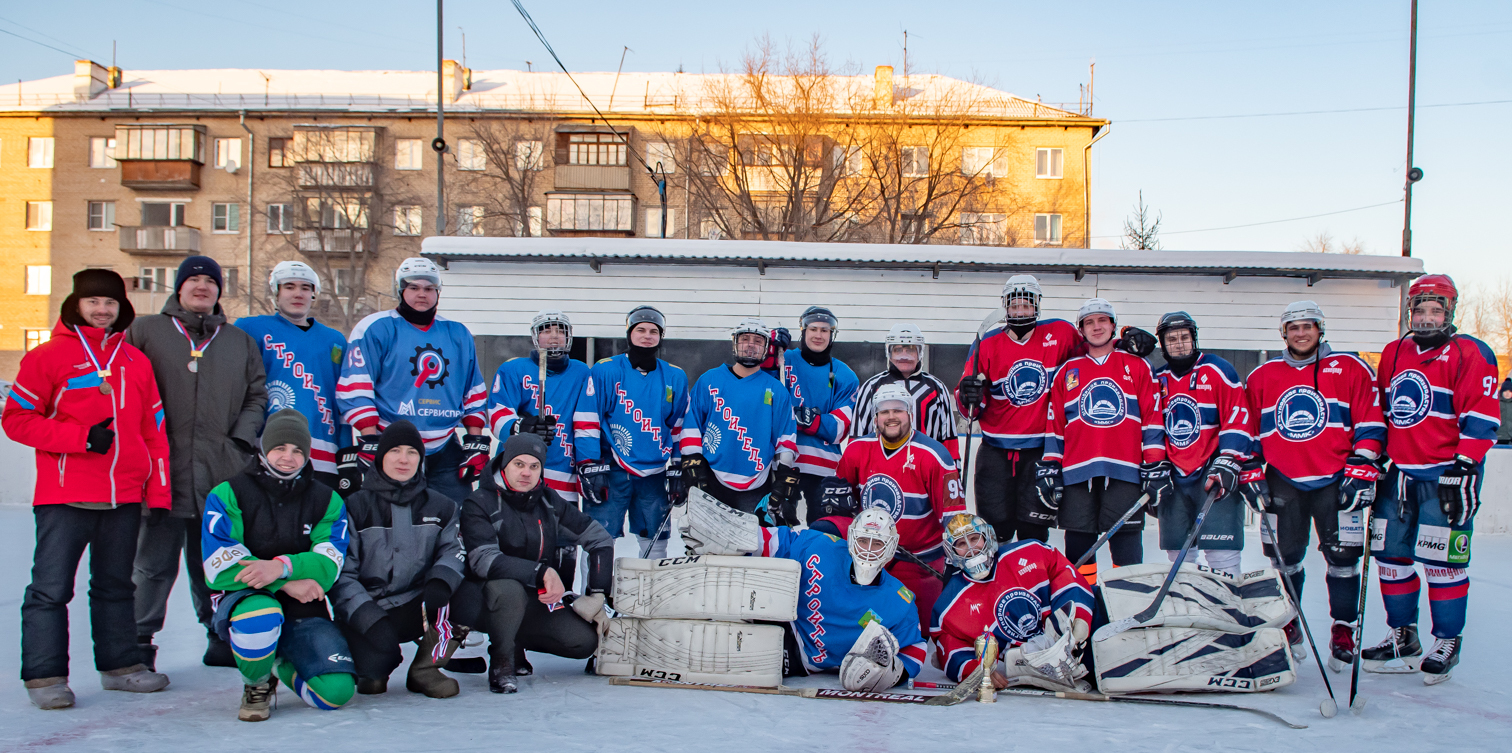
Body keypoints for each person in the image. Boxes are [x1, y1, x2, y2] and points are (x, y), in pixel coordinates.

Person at [4, 269, 173, 709]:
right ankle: (45, 677)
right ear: (76, 305)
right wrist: (79, 438)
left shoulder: (135, 361)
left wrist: (157, 493)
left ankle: (121, 667)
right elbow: (16, 419)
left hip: (122, 496)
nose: (102, 310)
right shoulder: (47, 357)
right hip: (65, 495)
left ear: (122, 309)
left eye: (111, 304)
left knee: (116, 585)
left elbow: (154, 432)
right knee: (50, 589)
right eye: (94, 302)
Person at [126, 255, 267, 669]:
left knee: (215, 560)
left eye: (210, 281)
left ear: (220, 290)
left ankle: (219, 634)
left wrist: (239, 441)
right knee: (152, 564)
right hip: (161, 472)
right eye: (194, 280)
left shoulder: (237, 340)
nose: (202, 286)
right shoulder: (146, 330)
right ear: (179, 287)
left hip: (219, 470)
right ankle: (138, 642)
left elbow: (257, 395)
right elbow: (124, 386)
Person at [1366, 275, 1500, 684]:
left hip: (1447, 474)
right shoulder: (1394, 352)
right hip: (1400, 474)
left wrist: (1465, 464)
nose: (1425, 318)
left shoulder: (1471, 353)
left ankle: (1447, 640)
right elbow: (1384, 410)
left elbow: (1482, 415)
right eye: (1419, 310)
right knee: (1391, 558)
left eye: (1435, 311)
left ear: (1450, 312)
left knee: (1442, 563)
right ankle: (1403, 636)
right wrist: (1374, 458)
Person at [1242, 300, 1385, 668]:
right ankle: (1290, 622)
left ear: (1320, 329)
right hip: (1283, 479)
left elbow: (1371, 421)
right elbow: (1247, 429)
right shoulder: (1263, 376)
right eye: (1293, 327)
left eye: (1307, 326)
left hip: (1335, 479)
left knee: (1342, 558)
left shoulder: (1350, 368)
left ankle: (1343, 628)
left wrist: (1363, 464)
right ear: (1283, 333)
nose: (1301, 333)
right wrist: (1251, 469)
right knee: (1285, 559)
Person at [201, 408, 354, 721]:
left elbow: (329, 563)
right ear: (263, 448)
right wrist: (283, 581)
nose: (289, 457)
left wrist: (282, 566)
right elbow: (219, 563)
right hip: (246, 598)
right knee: (260, 616)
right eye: (280, 448)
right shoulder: (227, 493)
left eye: (298, 450)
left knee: (335, 693)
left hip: (304, 605)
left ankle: (275, 663)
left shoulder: (327, 499)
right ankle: (256, 684)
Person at [680, 500, 927, 690]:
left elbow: (915, 647)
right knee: (748, 584)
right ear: (851, 538)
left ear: (891, 547)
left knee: (727, 648)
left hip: (798, 656)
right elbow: (778, 542)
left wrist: (894, 673)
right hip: (779, 613)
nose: (869, 551)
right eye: (863, 541)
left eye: (877, 543)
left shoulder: (899, 601)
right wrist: (734, 537)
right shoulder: (821, 546)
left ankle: (687, 647)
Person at [460, 434, 615, 693]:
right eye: (518, 464)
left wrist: (597, 593)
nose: (526, 473)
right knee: (509, 590)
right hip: (482, 600)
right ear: (504, 464)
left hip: (534, 598)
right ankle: (501, 660)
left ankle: (517, 639)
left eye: (534, 466)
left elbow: (600, 538)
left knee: (582, 642)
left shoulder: (548, 500)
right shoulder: (479, 502)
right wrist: (541, 572)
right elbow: (483, 561)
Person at [329, 420, 471, 698]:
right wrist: (365, 614)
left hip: (417, 603)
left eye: (412, 452)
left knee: (471, 594)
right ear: (381, 457)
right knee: (372, 677)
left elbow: (454, 550)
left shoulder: (441, 505)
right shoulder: (354, 507)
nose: (404, 459)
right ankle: (376, 663)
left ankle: (426, 668)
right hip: (371, 608)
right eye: (395, 451)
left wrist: (441, 581)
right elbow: (342, 573)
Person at [337, 258, 489, 505]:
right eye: (414, 288)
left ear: (438, 293)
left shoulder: (458, 333)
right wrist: (369, 437)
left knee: (457, 518)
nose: (422, 294)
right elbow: (356, 384)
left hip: (444, 445)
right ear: (401, 290)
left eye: (429, 289)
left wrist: (475, 440)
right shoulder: (376, 328)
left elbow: (473, 390)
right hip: (392, 440)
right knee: (392, 520)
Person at [1039, 298, 1171, 583]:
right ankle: (1085, 606)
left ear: (1113, 325)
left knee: (1127, 552)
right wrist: (1051, 465)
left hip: (1125, 472)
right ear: (1081, 330)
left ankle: (1127, 604)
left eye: (1102, 320)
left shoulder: (1137, 366)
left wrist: (1154, 464)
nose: (1096, 327)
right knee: (1079, 553)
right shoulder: (1067, 371)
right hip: (1077, 473)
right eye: (1089, 322)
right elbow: (1055, 425)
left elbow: (1151, 419)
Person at [956, 275, 1083, 545]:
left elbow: (1094, 356)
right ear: (1005, 307)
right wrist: (968, 395)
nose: (1020, 311)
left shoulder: (1061, 333)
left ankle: (1032, 582)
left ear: (1037, 306)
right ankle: (996, 584)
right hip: (995, 452)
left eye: (1027, 305)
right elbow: (971, 408)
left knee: (1034, 533)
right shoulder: (987, 342)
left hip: (1040, 452)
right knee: (994, 532)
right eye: (1015, 306)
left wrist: (1122, 344)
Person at [834, 384, 966, 638]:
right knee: (862, 633)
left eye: (898, 410)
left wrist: (955, 564)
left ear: (910, 415)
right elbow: (842, 508)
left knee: (918, 634)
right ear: (875, 418)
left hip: (918, 564)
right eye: (884, 411)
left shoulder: (934, 455)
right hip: (868, 559)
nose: (891, 417)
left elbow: (954, 516)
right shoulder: (857, 450)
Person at [575, 306, 691, 559]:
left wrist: (679, 465)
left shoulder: (675, 376)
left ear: (661, 336)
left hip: (655, 471)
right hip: (612, 467)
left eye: (653, 331)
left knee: (655, 540)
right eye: (640, 330)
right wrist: (589, 463)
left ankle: (650, 597)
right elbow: (587, 418)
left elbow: (681, 425)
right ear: (629, 334)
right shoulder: (605, 370)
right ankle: (595, 596)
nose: (647, 335)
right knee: (598, 538)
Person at [931, 513, 1095, 691]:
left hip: (1079, 637)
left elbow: (1064, 574)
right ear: (951, 553)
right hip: (1031, 660)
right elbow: (948, 644)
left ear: (989, 537)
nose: (971, 549)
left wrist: (1079, 617)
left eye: (974, 539)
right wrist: (972, 668)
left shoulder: (1031, 552)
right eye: (961, 544)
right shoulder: (950, 605)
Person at [1150, 311, 1251, 577]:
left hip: (1213, 471)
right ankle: (1186, 608)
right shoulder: (1157, 379)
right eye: (1172, 339)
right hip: (1174, 476)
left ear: (1194, 339)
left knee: (1221, 551)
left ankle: (1228, 607)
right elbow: (1150, 428)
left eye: (1185, 337)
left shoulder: (1217, 369)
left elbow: (1238, 415)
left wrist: (1229, 458)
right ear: (1162, 343)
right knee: (1179, 553)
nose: (1179, 343)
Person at [236, 261, 349, 490]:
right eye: (289, 286)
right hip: (266, 446)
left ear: (314, 294)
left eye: (305, 288)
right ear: (276, 292)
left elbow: (343, 399)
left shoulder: (335, 340)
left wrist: (347, 451)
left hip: (323, 452)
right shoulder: (250, 329)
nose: (298, 293)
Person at [679, 318, 799, 521]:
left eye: (758, 341)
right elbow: (691, 427)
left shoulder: (776, 390)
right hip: (710, 477)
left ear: (766, 348)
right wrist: (693, 465)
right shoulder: (709, 380)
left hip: (757, 481)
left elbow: (785, 437)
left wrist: (783, 476)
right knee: (706, 544)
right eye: (745, 339)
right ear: (735, 343)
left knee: (753, 545)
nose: (751, 345)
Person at [488, 310, 592, 504]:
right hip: (518, 467)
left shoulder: (582, 372)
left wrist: (589, 462)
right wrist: (522, 427)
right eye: (546, 331)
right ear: (535, 336)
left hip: (563, 469)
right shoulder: (513, 369)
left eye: (560, 331)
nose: (554, 336)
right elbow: (497, 413)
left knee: (559, 531)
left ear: (568, 336)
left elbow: (588, 421)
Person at [770, 307, 859, 526]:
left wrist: (804, 418)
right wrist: (771, 349)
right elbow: (761, 392)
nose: (818, 335)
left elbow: (839, 428)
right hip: (783, 463)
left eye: (824, 330)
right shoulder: (784, 360)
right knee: (779, 529)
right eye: (813, 329)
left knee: (824, 530)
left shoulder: (845, 375)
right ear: (803, 330)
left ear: (832, 335)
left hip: (825, 467)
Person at [852, 323, 962, 461]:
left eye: (910, 350)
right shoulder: (872, 387)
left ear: (919, 353)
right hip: (881, 468)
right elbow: (857, 436)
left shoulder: (936, 388)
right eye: (898, 350)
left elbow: (948, 437)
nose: (904, 356)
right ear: (889, 353)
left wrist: (953, 473)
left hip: (925, 468)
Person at [1497, 377, 1512, 445]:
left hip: (1510, 437)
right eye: (1505, 391)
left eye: (1509, 391)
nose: (1507, 394)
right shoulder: (1496, 404)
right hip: (1498, 436)